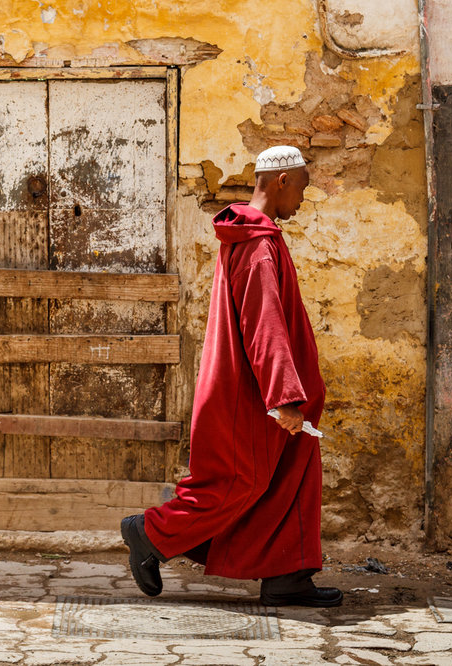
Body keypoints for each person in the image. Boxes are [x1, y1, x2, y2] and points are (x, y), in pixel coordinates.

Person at [121, 145, 342, 607]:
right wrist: (283, 396)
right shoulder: (258, 246)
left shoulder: (259, 238)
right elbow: (263, 324)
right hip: (256, 397)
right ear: (281, 180)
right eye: (302, 185)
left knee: (290, 480)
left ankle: (288, 577)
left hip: (276, 395)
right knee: (237, 482)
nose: (304, 196)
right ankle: (151, 533)